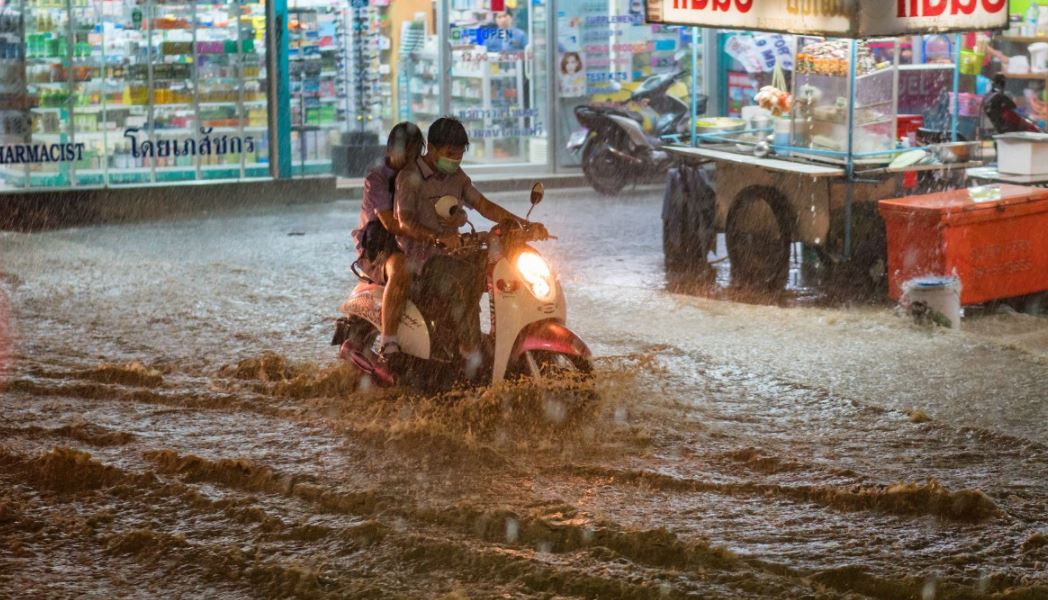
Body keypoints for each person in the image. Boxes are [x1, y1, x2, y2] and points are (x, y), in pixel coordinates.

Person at [393, 117, 546, 375]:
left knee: (503, 267)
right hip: (422, 264)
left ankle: (504, 340)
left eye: (460, 155)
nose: (455, 160)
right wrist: (437, 237)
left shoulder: (458, 177)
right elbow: (404, 222)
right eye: (449, 154)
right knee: (463, 280)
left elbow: (484, 205)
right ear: (431, 148)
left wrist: (523, 226)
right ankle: (470, 354)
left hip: (453, 255)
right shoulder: (409, 177)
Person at [349, 121, 424, 361]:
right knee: (400, 268)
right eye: (406, 152)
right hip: (378, 246)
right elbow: (391, 224)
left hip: (412, 240)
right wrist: (432, 234)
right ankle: (388, 342)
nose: (411, 159)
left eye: (416, 153)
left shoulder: (421, 176)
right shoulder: (378, 179)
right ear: (391, 149)